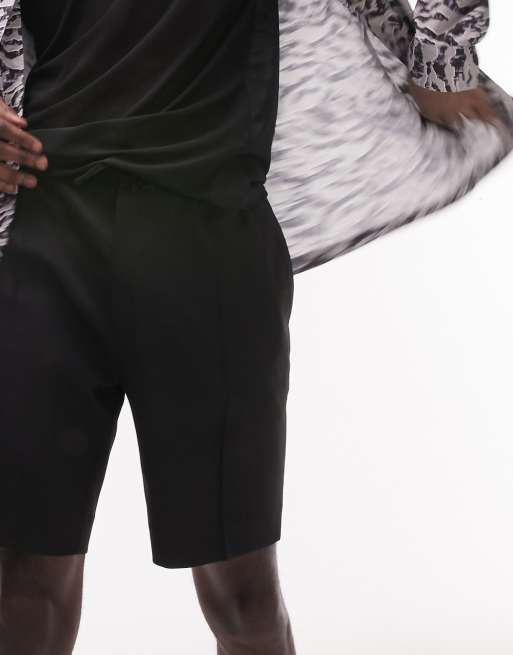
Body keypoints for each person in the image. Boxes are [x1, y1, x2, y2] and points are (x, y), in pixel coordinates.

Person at [0, 1, 504, 654]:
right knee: (24, 575)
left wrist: (442, 65)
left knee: (241, 591)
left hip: (208, 239)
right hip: (46, 236)